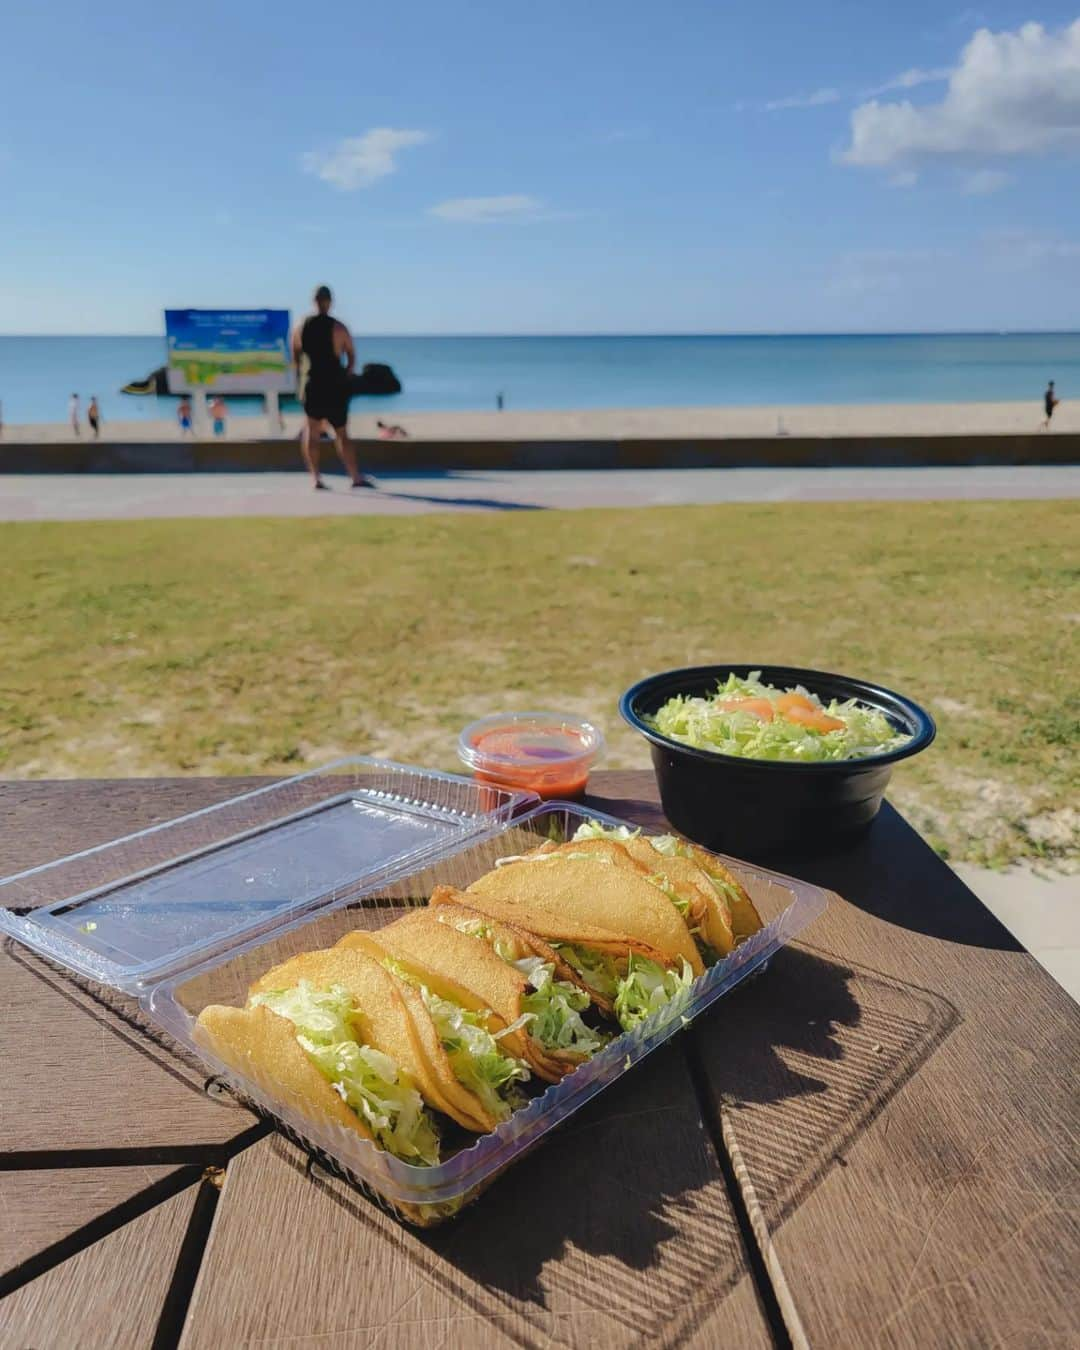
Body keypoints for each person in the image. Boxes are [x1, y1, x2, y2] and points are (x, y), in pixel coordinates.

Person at [291, 285, 374, 490]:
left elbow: (296, 358)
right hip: (334, 386)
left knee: (312, 432)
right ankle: (354, 477)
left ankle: (316, 478)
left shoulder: (301, 327)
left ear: (314, 301)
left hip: (312, 385)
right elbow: (351, 356)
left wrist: (300, 381)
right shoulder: (339, 328)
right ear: (330, 302)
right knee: (342, 433)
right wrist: (346, 375)